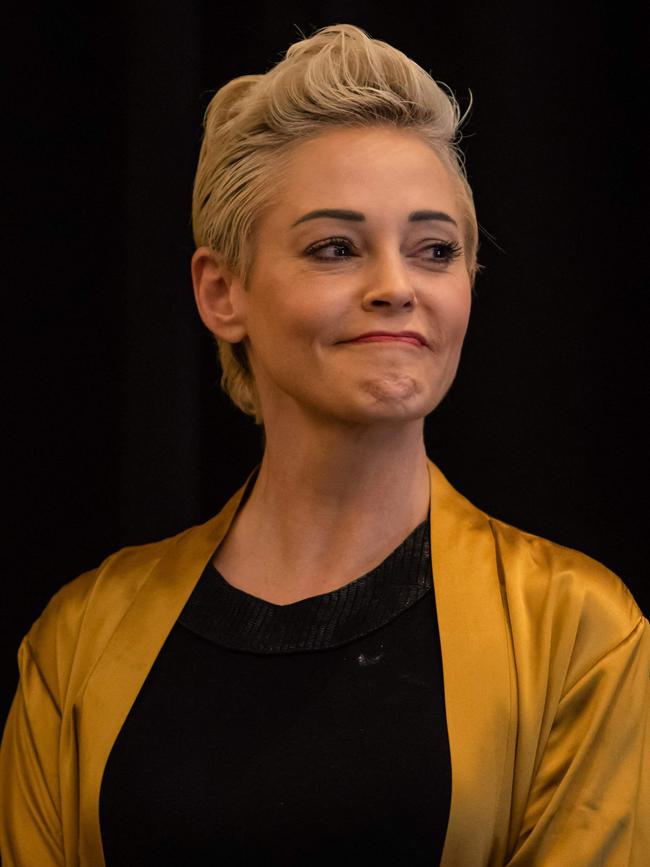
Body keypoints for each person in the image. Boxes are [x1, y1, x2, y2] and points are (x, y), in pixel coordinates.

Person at [1, 23, 648, 867]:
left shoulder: (579, 633)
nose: (396, 286)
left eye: (436, 250)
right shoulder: (78, 639)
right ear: (222, 291)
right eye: (335, 247)